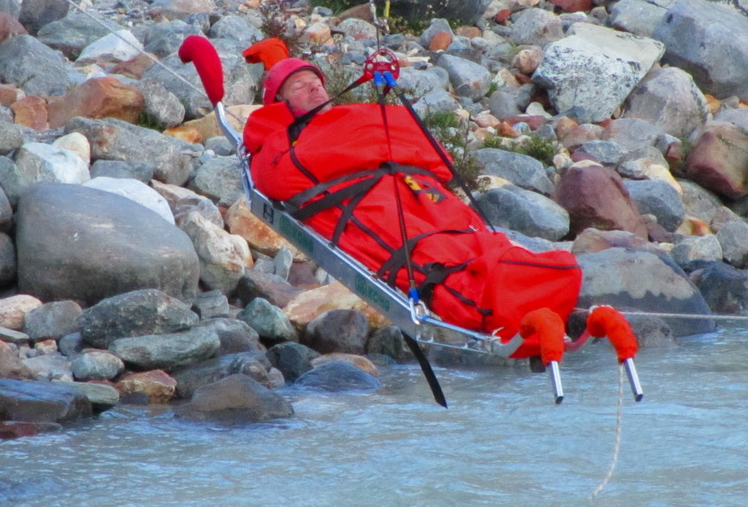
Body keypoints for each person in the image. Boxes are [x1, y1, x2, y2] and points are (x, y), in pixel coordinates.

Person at [234, 38, 581, 362]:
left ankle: (532, 292)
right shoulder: (287, 145)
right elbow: (274, 175)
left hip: (418, 190)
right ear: (280, 105)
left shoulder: (358, 115)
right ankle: (515, 302)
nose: (314, 86)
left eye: (317, 81)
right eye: (298, 86)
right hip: (374, 204)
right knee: (438, 259)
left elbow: (438, 159)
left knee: (476, 242)